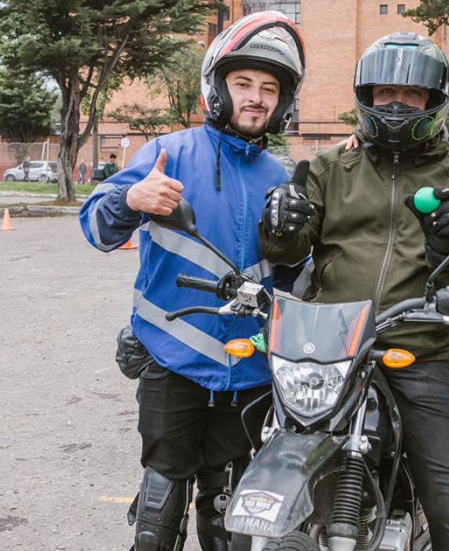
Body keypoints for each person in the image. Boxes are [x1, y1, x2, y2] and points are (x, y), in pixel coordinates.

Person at [79, 11, 306, 551]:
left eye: (269, 89)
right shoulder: (170, 152)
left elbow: (297, 275)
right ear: (218, 88)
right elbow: (96, 227)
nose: (256, 97)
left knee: (229, 504)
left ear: (283, 102)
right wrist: (129, 199)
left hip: (250, 364)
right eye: (243, 83)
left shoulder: (283, 176)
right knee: (164, 490)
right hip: (170, 354)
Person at [260, 32, 449, 549]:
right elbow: (285, 251)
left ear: (434, 101)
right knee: (276, 472)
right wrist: (279, 222)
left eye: (413, 95)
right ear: (367, 95)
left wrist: (448, 245)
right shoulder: (328, 167)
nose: (398, 103)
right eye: (386, 92)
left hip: (418, 348)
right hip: (327, 349)